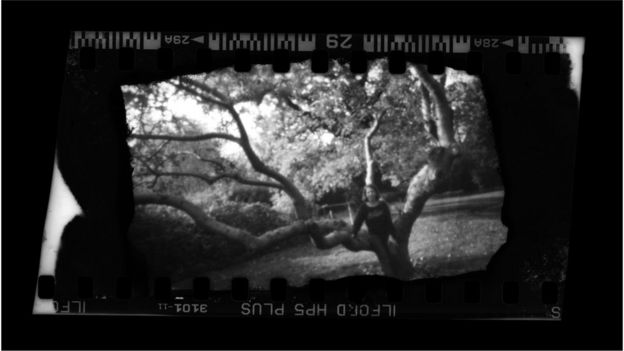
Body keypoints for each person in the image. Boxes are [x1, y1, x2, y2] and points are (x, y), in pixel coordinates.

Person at [352, 184, 397, 276]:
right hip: (374, 236)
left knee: (391, 255)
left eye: (372, 191)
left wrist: (393, 235)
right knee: (383, 257)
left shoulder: (383, 205)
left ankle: (396, 274)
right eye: (368, 192)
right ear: (365, 194)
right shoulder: (363, 208)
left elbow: (389, 221)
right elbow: (357, 222)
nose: (371, 194)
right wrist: (354, 233)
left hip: (385, 234)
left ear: (376, 193)